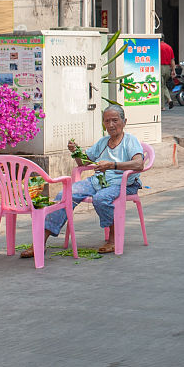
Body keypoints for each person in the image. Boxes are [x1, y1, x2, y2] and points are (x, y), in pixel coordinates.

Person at [25, 106, 144, 257]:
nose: (111, 125)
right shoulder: (103, 142)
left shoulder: (130, 141)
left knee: (101, 198)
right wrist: (76, 152)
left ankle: (113, 240)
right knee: (65, 194)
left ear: (124, 122)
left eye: (115, 120)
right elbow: (83, 163)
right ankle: (40, 242)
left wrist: (112, 165)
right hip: (98, 181)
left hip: (124, 184)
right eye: (107, 121)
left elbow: (139, 164)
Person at [160, 39, 177, 109]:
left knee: (161, 86)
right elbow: (172, 60)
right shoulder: (169, 47)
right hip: (167, 68)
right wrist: (173, 70)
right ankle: (169, 99)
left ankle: (162, 106)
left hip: (159, 67)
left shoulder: (158, 46)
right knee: (163, 85)